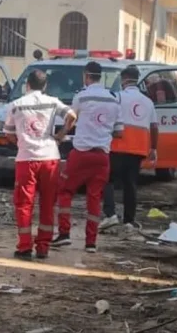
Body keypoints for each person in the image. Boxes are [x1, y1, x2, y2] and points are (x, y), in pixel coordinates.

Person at [4, 69, 77, 260]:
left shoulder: (16, 105)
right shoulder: (52, 101)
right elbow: (72, 116)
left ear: (27, 85)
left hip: (26, 159)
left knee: (24, 204)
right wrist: (59, 136)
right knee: (48, 203)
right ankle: (43, 247)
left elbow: (8, 133)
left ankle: (24, 246)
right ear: (45, 86)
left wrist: (21, 143)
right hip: (50, 158)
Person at [53, 61, 122, 253]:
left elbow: (71, 119)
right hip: (102, 157)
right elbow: (119, 132)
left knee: (65, 191)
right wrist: (102, 131)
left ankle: (64, 234)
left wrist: (60, 136)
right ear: (101, 76)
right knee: (94, 197)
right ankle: (91, 243)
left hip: (81, 154)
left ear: (86, 76)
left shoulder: (81, 96)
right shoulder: (113, 99)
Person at [99, 65, 158, 231]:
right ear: (137, 79)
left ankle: (110, 214)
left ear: (123, 79)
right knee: (130, 184)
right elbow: (154, 127)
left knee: (108, 180)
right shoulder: (148, 102)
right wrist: (153, 148)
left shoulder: (117, 97)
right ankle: (129, 221)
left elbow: (107, 118)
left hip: (117, 147)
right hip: (138, 149)